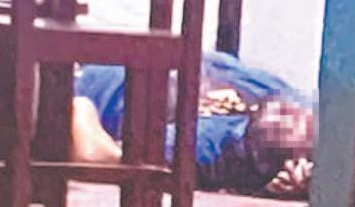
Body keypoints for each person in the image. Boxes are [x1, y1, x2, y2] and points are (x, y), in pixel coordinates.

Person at [70, 51, 315, 198]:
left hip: (65, 82)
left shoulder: (212, 144)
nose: (305, 119)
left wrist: (77, 106)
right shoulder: (275, 94)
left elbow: (96, 157)